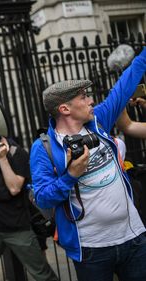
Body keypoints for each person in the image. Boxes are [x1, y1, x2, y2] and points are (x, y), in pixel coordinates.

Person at [30, 47, 146, 281]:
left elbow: (124, 85)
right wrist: (70, 175)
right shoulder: (44, 148)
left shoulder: (98, 120)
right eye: (83, 97)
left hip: (133, 238)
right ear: (65, 109)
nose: (91, 100)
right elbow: (42, 197)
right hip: (91, 249)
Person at [0, 135, 57, 281]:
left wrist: (3, 159)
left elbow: (15, 188)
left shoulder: (18, 153)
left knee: (42, 274)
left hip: (17, 227)